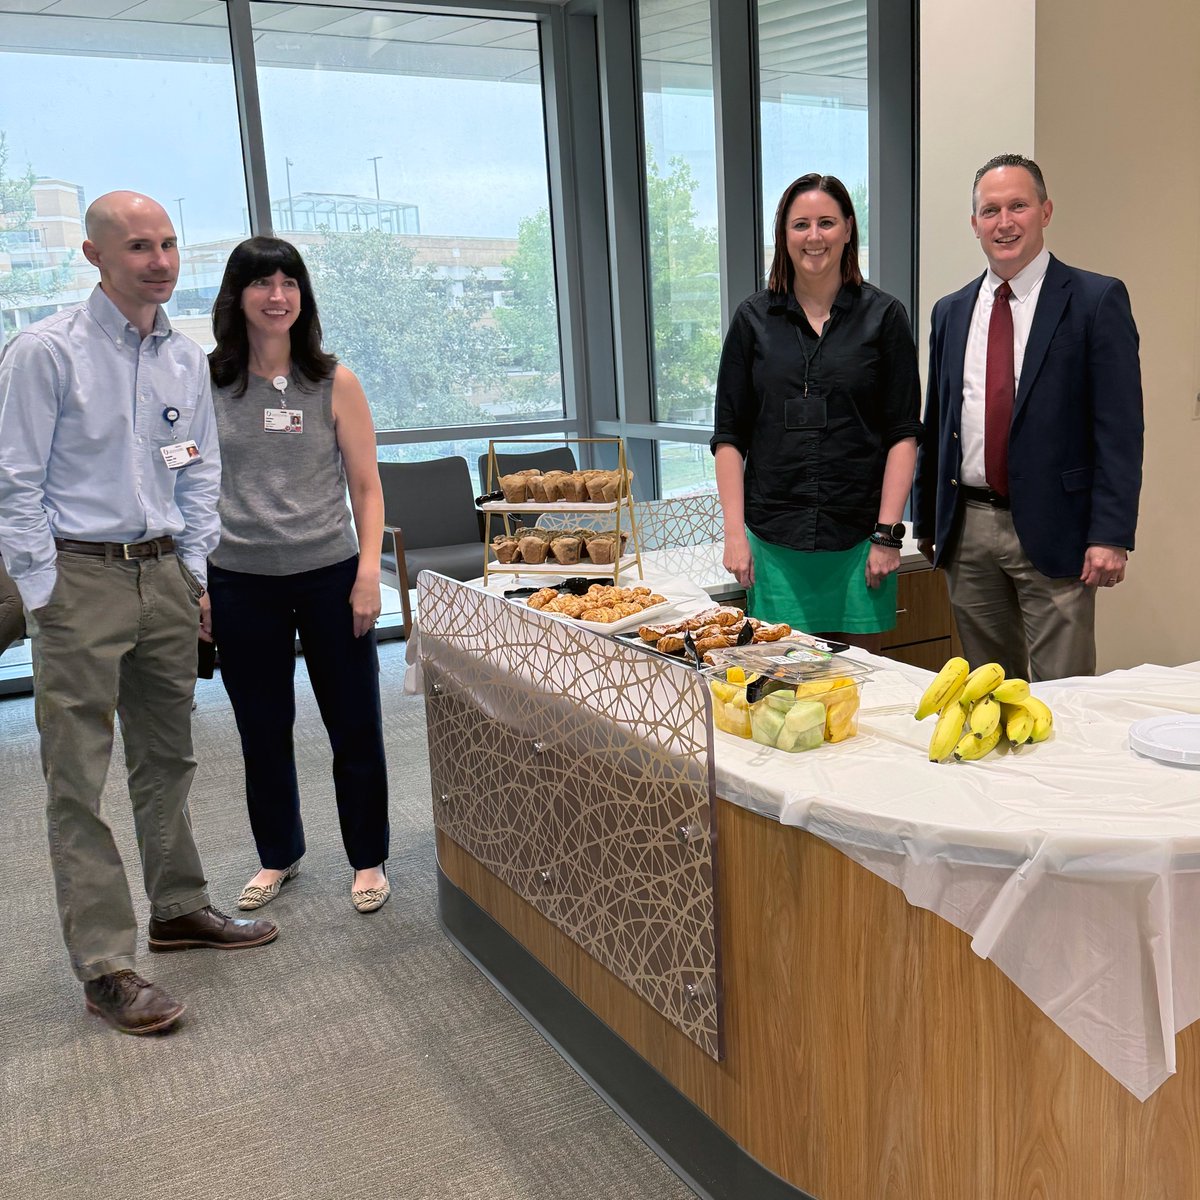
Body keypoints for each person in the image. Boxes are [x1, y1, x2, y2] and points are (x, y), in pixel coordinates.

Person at [0, 191, 278, 1037]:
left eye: (168, 244)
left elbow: (198, 469)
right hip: (79, 578)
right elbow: (15, 482)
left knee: (168, 756)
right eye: (138, 246)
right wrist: (44, 590)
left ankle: (178, 907)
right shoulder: (45, 352)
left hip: (162, 575)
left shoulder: (184, 357)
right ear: (94, 255)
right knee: (77, 780)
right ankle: (105, 967)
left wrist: (192, 569)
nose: (159, 261)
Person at [207, 236, 391, 914]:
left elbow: (366, 488)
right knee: (261, 728)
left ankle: (367, 858)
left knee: (354, 724)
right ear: (238, 295)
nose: (277, 295)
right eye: (262, 282)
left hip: (329, 575)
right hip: (239, 577)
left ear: (303, 296)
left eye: (289, 282)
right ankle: (278, 854)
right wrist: (199, 585)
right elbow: (187, 490)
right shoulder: (208, 383)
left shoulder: (333, 381)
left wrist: (368, 574)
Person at [912, 154, 1144, 681]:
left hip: (1057, 529)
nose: (1005, 222)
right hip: (967, 529)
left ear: (1046, 211)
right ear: (974, 224)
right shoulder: (951, 311)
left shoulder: (1095, 300)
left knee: (1064, 695)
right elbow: (938, 422)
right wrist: (927, 519)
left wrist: (1111, 534)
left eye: (1018, 206)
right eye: (990, 210)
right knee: (989, 691)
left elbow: (1120, 431)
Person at [712, 173, 922, 650]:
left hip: (861, 542)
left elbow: (903, 434)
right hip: (773, 544)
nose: (814, 236)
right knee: (782, 684)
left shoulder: (885, 317)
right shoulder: (752, 320)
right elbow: (729, 437)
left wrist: (887, 535)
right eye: (800, 224)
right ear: (783, 234)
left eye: (826, 222)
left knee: (860, 684)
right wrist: (734, 534)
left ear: (847, 228)